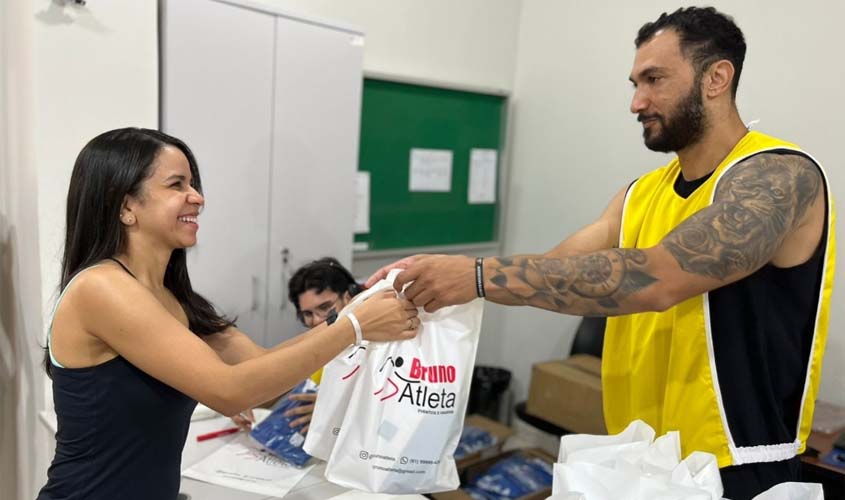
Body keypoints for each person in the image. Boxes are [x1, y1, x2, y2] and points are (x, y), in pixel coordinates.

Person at [366, 7, 834, 499]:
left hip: (737, 470)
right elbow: (552, 270)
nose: (637, 101)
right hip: (638, 460)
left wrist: (477, 274)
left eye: (654, 79)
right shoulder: (638, 194)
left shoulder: (781, 175)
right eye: (635, 82)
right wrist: (426, 284)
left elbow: (658, 278)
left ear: (717, 77)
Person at [37, 128, 420, 500]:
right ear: (125, 206)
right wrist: (354, 326)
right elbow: (231, 391)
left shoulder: (172, 298)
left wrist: (351, 314)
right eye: (177, 185)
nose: (197, 198)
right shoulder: (101, 288)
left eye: (194, 184)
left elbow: (263, 367)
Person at [232, 257, 363, 432]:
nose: (316, 321)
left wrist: (337, 409)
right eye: (307, 314)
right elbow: (282, 383)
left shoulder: (379, 347)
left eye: (325, 307)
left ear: (349, 297)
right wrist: (248, 401)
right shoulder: (319, 348)